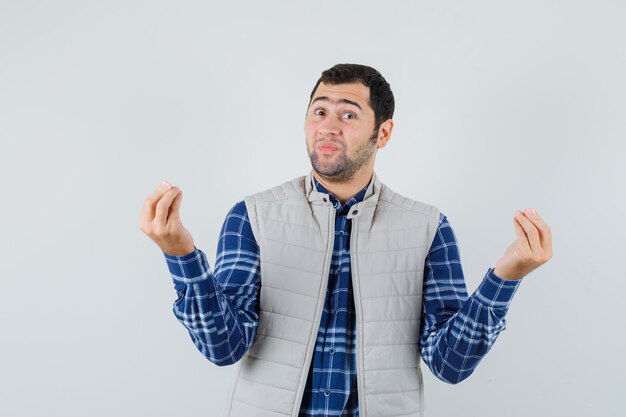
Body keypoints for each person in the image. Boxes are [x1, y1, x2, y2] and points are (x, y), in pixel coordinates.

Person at [139, 63, 553, 417]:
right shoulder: (252, 217)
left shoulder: (429, 228)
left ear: (384, 133)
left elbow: (450, 364)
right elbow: (222, 347)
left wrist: (505, 277)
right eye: (319, 111)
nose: (328, 126)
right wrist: (181, 255)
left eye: (348, 115)